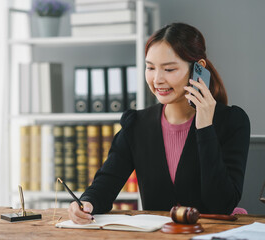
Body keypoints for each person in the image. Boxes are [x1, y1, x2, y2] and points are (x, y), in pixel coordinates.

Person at [68, 22, 251, 224]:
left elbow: (221, 204)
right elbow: (107, 181)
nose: (157, 79)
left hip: (213, 233)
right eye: (150, 68)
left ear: (199, 68)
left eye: (169, 69)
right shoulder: (136, 124)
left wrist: (205, 127)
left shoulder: (232, 121)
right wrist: (87, 203)